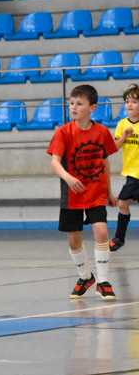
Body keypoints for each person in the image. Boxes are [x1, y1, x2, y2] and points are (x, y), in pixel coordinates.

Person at [47, 84, 118, 300]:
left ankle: (103, 281)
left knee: (101, 232)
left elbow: (105, 162)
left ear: (92, 107)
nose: (73, 107)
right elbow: (54, 162)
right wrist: (68, 177)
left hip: (96, 192)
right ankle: (85, 277)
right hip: (72, 194)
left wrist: (110, 192)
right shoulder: (63, 132)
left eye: (79, 103)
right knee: (74, 239)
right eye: (71, 103)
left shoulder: (102, 132)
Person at [111, 84, 139, 251]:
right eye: (127, 101)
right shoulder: (122, 124)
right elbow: (114, 147)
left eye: (134, 101)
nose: (129, 104)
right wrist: (124, 136)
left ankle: (118, 238)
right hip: (131, 174)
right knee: (122, 204)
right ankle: (119, 239)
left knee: (122, 203)